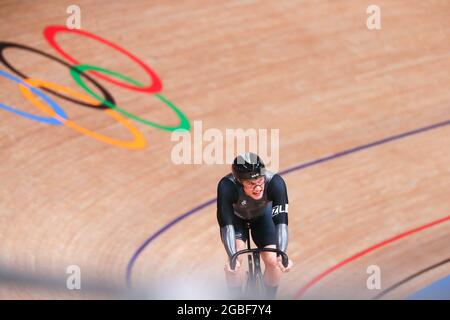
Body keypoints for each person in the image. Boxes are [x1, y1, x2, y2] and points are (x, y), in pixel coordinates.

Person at [216, 152, 293, 299]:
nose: (258, 188)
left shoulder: (275, 183)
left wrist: (282, 254)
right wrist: (232, 257)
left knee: (272, 261)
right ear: (239, 182)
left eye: (260, 180)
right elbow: (226, 225)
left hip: (263, 217)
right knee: (235, 262)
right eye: (251, 184)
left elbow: (282, 222)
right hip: (236, 219)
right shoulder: (227, 186)